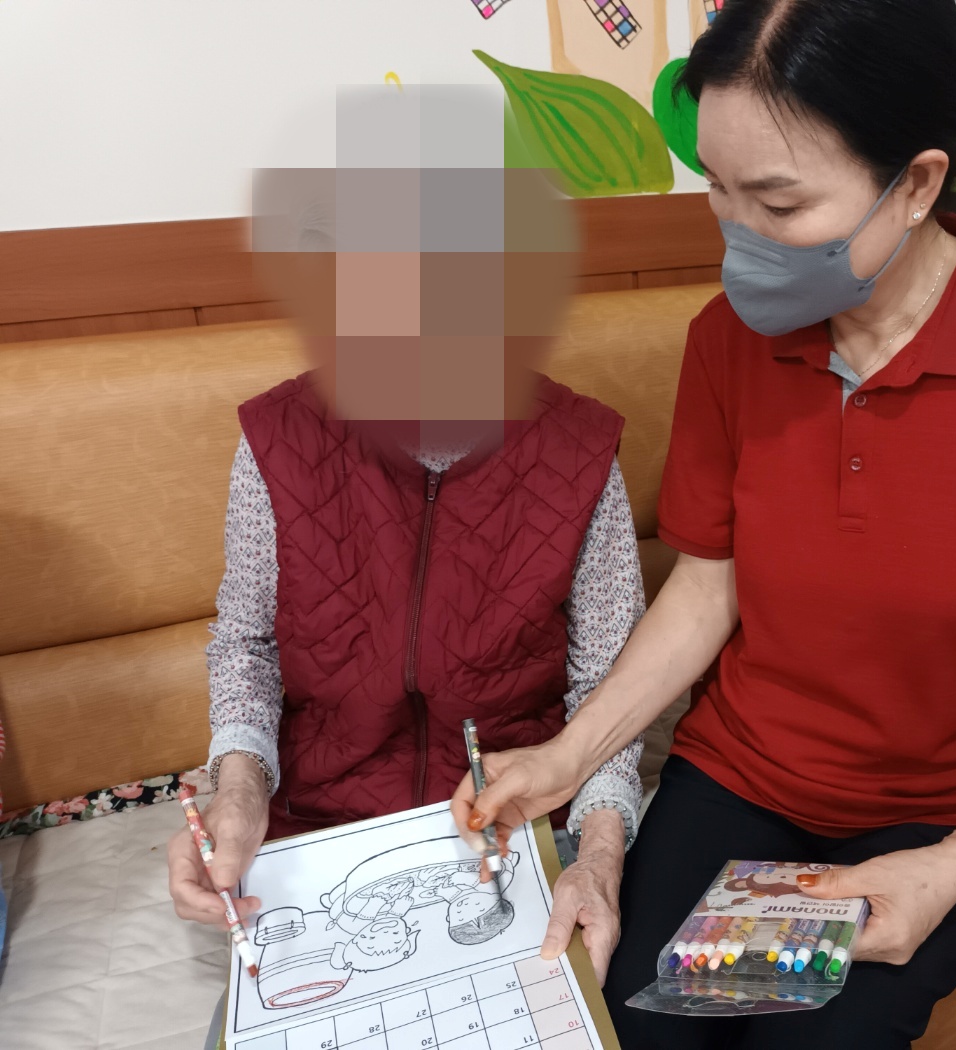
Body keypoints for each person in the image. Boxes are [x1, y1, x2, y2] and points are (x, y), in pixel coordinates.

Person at [460, 2, 956, 1047]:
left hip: (945, 804)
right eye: (719, 188)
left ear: (916, 184)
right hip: (743, 772)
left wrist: (954, 866)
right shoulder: (728, 343)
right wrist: (569, 758)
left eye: (778, 201)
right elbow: (707, 587)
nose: (737, 231)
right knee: (630, 1023)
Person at [164, 87, 645, 1046]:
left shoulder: (581, 451)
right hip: (323, 837)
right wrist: (240, 793)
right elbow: (247, 648)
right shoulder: (278, 440)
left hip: (513, 834)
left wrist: (598, 853)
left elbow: (613, 691)